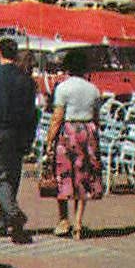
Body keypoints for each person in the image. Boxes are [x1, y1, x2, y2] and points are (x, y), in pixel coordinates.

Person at [0, 37, 37, 243]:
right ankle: (2, 222)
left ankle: (12, 213)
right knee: (11, 177)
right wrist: (29, 138)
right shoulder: (27, 80)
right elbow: (32, 112)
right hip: (19, 132)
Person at [46, 49, 105, 239]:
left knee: (63, 173)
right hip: (88, 132)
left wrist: (49, 140)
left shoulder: (63, 88)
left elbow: (57, 117)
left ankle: (63, 220)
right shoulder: (93, 89)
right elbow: (97, 117)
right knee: (83, 176)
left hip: (68, 132)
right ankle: (78, 222)